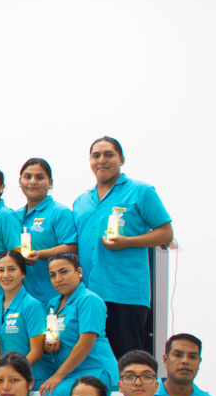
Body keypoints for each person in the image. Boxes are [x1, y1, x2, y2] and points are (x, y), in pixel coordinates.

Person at [74, 138, 173, 359]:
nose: (101, 160)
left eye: (108, 154)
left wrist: (128, 242)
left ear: (121, 159)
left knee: (127, 363)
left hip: (124, 294)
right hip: (88, 295)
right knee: (91, 363)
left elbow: (166, 233)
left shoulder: (141, 191)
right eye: (95, 155)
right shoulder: (81, 201)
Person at [38, 255, 119, 396]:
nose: (58, 279)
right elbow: (53, 338)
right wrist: (49, 346)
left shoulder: (89, 300)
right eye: (52, 275)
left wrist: (58, 375)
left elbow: (85, 343)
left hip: (96, 370)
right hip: (71, 374)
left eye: (64, 272)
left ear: (79, 272)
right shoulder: (53, 304)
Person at [15, 157, 79, 305]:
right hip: (23, 299)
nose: (32, 182)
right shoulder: (15, 216)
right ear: (20, 182)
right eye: (27, 177)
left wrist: (40, 255)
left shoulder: (59, 212)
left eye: (39, 177)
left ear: (50, 183)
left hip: (52, 295)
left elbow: (71, 247)